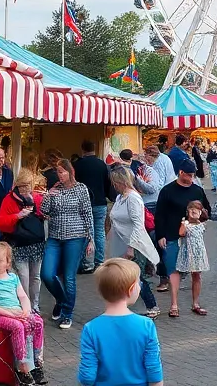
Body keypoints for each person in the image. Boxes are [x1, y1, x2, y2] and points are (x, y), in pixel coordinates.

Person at [78, 259, 164, 386]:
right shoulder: (146, 325)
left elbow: (87, 377)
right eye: (138, 283)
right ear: (130, 290)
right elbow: (154, 373)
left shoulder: (91, 329)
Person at [0, 242, 46, 385]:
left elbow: (22, 296)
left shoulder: (13, 278)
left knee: (37, 321)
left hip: (16, 312)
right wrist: (10, 314)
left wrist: (26, 310)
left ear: (8, 263)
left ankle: (36, 362)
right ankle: (22, 367)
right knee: (17, 326)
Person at [39, 158, 95, 329]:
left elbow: (87, 213)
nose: (60, 175)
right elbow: (44, 210)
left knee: (69, 276)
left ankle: (67, 314)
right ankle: (62, 300)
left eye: (62, 172)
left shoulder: (81, 189)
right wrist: (49, 194)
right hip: (55, 236)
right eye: (58, 172)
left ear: (71, 172)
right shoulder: (55, 189)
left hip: (76, 236)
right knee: (47, 273)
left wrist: (91, 238)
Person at [153, 162, 210, 317]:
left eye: (193, 175)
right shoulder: (167, 191)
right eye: (189, 175)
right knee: (174, 271)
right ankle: (174, 304)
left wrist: (199, 223)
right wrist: (160, 235)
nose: (191, 178)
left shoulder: (197, 190)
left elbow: (207, 211)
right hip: (172, 236)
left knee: (196, 272)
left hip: (193, 240)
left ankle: (196, 303)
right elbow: (160, 215)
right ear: (181, 172)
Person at [106, 166, 160, 318]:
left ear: (121, 181)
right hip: (119, 241)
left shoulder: (133, 198)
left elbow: (138, 224)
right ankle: (121, 306)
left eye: (115, 182)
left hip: (133, 244)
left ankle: (152, 305)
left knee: (135, 276)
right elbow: (115, 219)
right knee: (122, 276)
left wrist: (131, 247)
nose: (113, 185)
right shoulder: (120, 198)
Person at [0, 167, 46, 312]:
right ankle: (26, 304)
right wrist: (17, 216)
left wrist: (40, 209)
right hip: (19, 243)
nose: (26, 189)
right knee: (23, 276)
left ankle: (35, 304)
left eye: (28, 185)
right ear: (17, 185)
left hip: (36, 243)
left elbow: (45, 213)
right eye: (23, 185)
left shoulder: (37, 197)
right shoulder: (9, 199)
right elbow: (1, 223)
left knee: (36, 276)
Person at [73, 140, 112, 273]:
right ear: (94, 148)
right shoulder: (102, 164)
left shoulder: (78, 165)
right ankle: (99, 261)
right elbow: (107, 184)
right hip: (100, 202)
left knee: (84, 232)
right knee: (99, 232)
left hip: (83, 203)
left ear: (82, 149)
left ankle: (84, 262)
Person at [176, 200, 210, 316]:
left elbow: (204, 221)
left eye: (196, 210)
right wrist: (186, 221)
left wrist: (198, 217)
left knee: (197, 276)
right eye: (191, 210)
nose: (194, 212)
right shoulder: (185, 223)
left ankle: (195, 302)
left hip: (198, 253)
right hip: (187, 252)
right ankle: (174, 302)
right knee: (179, 274)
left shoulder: (202, 224)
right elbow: (181, 233)